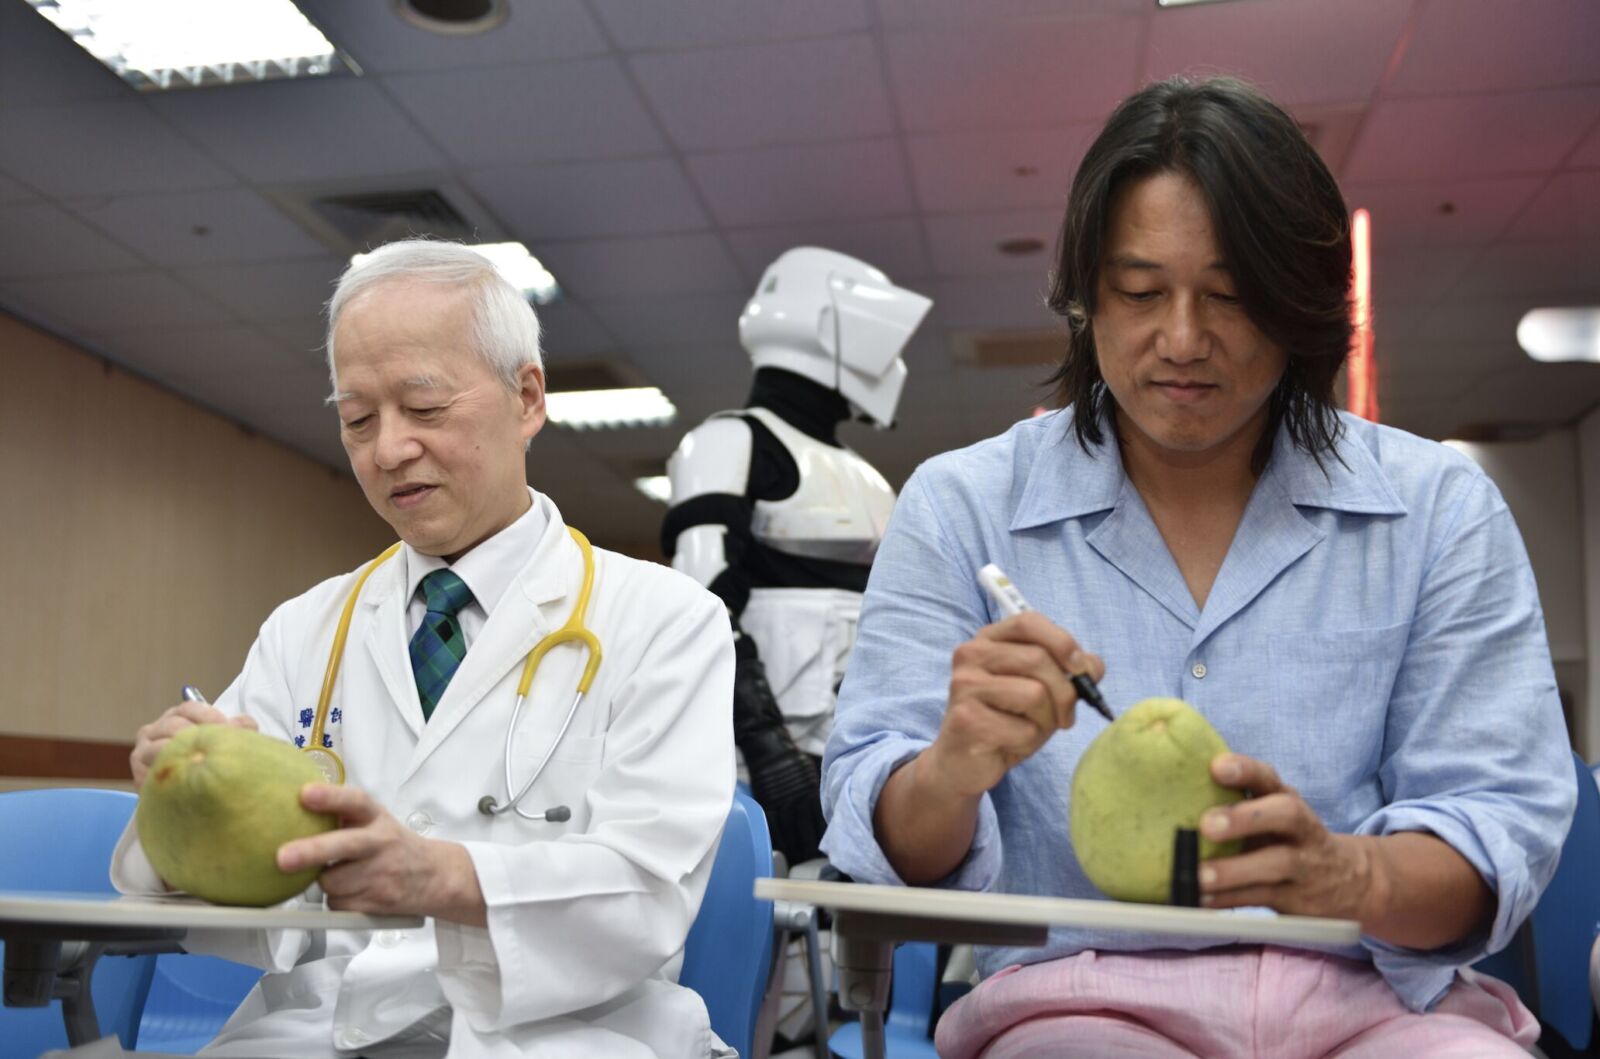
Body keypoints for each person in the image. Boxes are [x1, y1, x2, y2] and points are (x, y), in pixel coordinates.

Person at [819, 76, 1576, 1058]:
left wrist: (1346, 876)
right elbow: (880, 841)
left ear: (1300, 307)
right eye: (1139, 293)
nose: (1181, 340)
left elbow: (1494, 829)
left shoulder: (1437, 511)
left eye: (1228, 297)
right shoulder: (961, 509)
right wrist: (947, 771)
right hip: (1077, 1001)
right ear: (1085, 297)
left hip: (1375, 1002)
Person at [111, 239, 737, 1058]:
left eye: (425, 407)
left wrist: (443, 876)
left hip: (572, 1035)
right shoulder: (308, 628)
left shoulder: (667, 618)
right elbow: (208, 891)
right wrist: (175, 793)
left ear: (527, 398)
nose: (387, 450)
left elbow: (649, 891)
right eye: (357, 419)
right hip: (318, 1029)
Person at [661, 247, 931, 869]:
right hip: (750, 764)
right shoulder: (727, 441)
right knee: (756, 935)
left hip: (852, 752)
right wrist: (766, 748)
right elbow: (701, 610)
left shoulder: (866, 478)